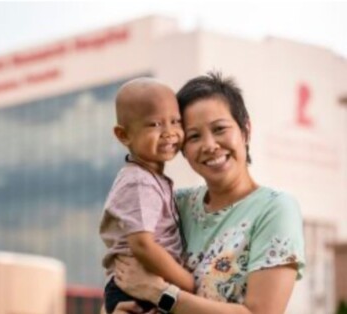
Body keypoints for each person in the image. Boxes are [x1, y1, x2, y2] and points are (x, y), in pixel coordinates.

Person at [111, 72, 306, 314]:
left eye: (220, 129)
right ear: (182, 148)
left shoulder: (275, 210)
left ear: (246, 130)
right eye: (194, 136)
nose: (210, 145)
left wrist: (161, 294)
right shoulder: (174, 204)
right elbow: (125, 275)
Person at [99, 78, 195, 314]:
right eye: (154, 124)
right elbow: (142, 244)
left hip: (145, 284)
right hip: (134, 290)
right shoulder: (139, 181)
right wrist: (187, 282)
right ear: (123, 135)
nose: (169, 133)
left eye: (175, 122)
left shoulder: (152, 178)